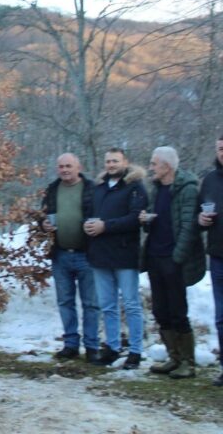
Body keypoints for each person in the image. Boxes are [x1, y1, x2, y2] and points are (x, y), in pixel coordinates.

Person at [140, 146, 205, 379]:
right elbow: (152, 218)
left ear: (167, 166)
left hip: (174, 260)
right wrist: (145, 220)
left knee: (178, 311)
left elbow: (189, 227)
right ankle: (173, 357)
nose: (150, 168)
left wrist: (177, 257)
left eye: (154, 164)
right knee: (160, 310)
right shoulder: (156, 189)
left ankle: (188, 362)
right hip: (155, 257)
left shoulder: (187, 189)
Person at [84, 147, 147, 369]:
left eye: (115, 161)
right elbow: (90, 212)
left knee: (131, 305)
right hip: (100, 254)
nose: (111, 165)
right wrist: (89, 224)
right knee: (107, 305)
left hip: (124, 254)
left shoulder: (135, 188)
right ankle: (111, 347)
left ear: (125, 162)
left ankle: (136, 352)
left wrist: (105, 226)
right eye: (108, 161)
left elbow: (135, 219)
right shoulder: (99, 189)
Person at [41, 153, 100, 363]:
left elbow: (102, 216)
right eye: (61, 166)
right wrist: (44, 225)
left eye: (69, 166)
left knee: (91, 303)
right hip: (61, 254)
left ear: (78, 167)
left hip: (87, 254)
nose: (65, 170)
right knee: (65, 302)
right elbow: (43, 215)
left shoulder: (92, 189)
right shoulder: (52, 189)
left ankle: (92, 346)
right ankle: (71, 345)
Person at [198, 134, 223, 386]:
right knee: (221, 317)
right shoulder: (210, 180)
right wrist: (201, 220)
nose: (222, 152)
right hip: (217, 256)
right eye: (220, 149)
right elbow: (200, 212)